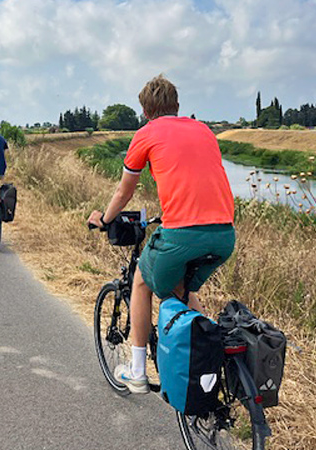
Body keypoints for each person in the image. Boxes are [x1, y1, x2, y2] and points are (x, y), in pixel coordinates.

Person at [86, 75, 236, 394]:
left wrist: (104, 219)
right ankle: (210, 356)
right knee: (181, 290)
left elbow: (125, 191)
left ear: (144, 111)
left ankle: (138, 372)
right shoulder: (204, 130)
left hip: (182, 234)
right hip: (224, 235)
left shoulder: (146, 134)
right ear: (177, 105)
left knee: (142, 281)